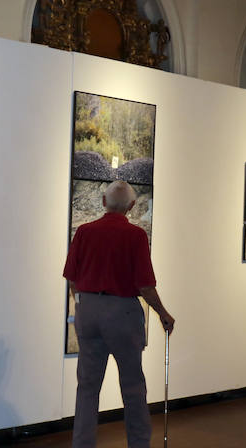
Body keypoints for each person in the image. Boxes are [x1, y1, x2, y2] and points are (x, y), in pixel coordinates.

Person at [63, 180, 175, 448]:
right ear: (132, 206)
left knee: (87, 388)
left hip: (88, 311)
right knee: (133, 387)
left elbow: (71, 278)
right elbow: (145, 285)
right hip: (122, 313)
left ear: (104, 202)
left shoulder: (84, 232)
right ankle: (138, 444)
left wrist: (82, 302)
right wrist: (163, 313)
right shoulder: (135, 236)